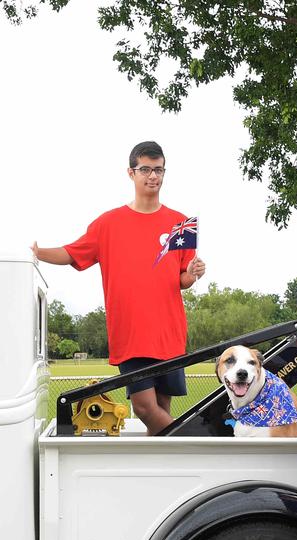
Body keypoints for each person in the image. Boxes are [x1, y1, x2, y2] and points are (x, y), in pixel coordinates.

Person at [32, 141, 206, 435]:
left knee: (161, 411)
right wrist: (38, 253)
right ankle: (197, 444)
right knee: (144, 407)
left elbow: (182, 280)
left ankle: (163, 475)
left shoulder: (180, 224)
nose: (153, 176)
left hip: (169, 332)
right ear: (131, 172)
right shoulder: (108, 223)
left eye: (159, 170)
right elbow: (73, 252)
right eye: (146, 169)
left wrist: (192, 273)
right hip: (131, 333)